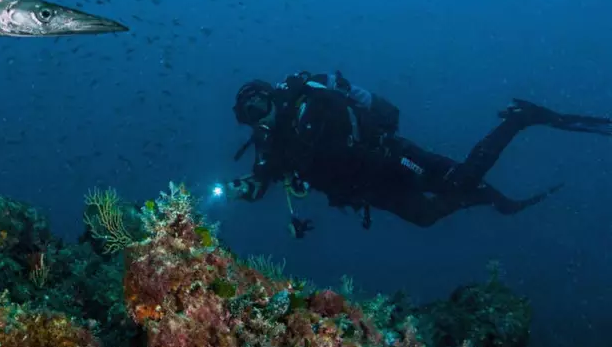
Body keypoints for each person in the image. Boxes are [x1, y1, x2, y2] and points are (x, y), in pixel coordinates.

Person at [228, 71, 612, 236]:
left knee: (457, 181)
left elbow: (352, 126)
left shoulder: (309, 105)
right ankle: (495, 198)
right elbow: (264, 178)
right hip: (369, 189)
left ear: (272, 96)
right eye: (249, 115)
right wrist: (248, 188)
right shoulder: (271, 145)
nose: (259, 116)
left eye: (259, 105)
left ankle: (518, 121)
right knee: (427, 216)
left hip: (389, 158)